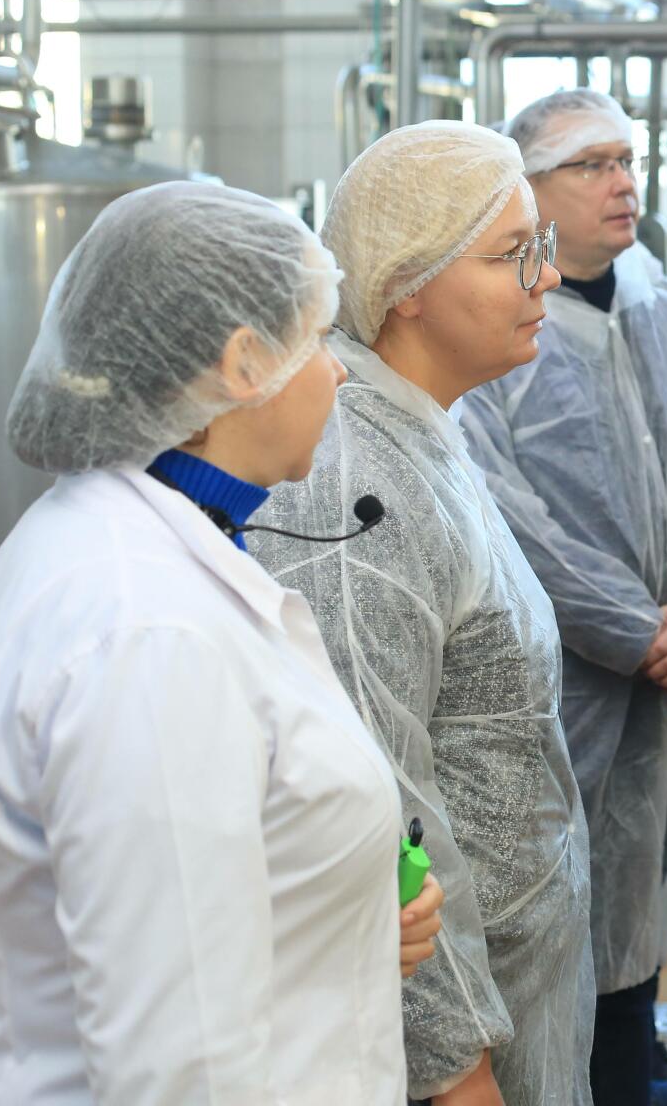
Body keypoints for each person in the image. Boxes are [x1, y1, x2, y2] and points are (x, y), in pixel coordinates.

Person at [0, 181, 445, 1104]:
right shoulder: (148, 634)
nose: (340, 373)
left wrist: (352, 921)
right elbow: (178, 1066)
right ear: (244, 364)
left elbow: (196, 904)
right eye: (318, 340)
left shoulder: (152, 546)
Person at [251, 123, 594, 1106]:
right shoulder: (350, 481)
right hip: (447, 1022)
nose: (547, 277)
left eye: (541, 245)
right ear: (408, 283)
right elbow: (375, 801)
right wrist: (453, 1061)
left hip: (511, 961)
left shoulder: (423, 425)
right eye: (512, 252)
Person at [459, 88, 667, 1106]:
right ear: (528, 191)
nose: (622, 183)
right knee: (559, 911)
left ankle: (637, 1051)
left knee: (651, 886)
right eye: (591, 164)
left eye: (628, 161)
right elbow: (506, 518)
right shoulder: (502, 334)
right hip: (574, 691)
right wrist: (645, 635)